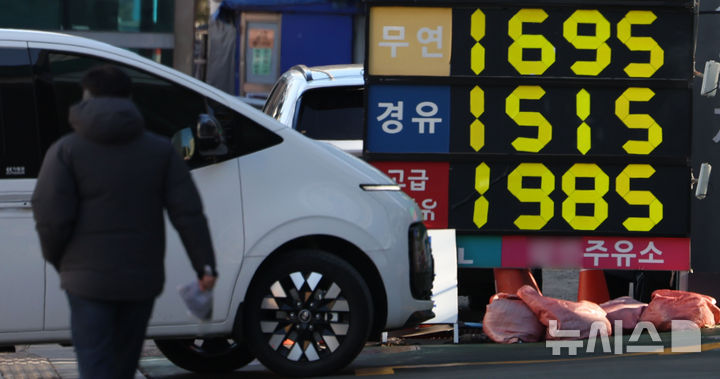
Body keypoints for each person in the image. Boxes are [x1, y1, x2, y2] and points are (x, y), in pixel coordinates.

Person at [31, 65, 218, 379]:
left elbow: (49, 216)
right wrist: (205, 267)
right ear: (130, 99)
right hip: (139, 280)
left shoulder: (65, 151)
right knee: (123, 367)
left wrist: (62, 261)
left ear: (86, 97)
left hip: (85, 281)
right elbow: (188, 213)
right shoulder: (160, 151)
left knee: (94, 364)